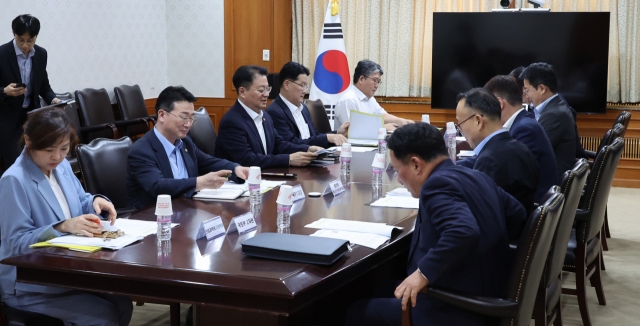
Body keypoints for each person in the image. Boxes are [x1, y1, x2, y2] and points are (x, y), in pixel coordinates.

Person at [345, 123, 526, 326]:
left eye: (397, 170)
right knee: (382, 288)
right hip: (491, 290)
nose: (399, 179)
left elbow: (463, 230)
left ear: (415, 164)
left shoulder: (436, 185)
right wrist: (485, 250)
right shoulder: (475, 175)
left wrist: (423, 274)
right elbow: (517, 212)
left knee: (356, 312)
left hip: (459, 306)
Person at [0, 108, 132, 325]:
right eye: (49, 149)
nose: (58, 157)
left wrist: (93, 202)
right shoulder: (14, 180)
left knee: (123, 303)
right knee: (105, 315)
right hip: (28, 286)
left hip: (64, 272)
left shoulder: (60, 167)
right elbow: (16, 243)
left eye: (63, 148)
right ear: (29, 141)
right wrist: (61, 226)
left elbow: (79, 202)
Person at [127, 86, 249, 209]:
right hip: (154, 217)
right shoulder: (141, 150)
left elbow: (207, 162)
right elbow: (159, 186)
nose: (188, 124)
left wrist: (235, 169)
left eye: (191, 118)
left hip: (187, 211)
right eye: (183, 117)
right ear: (162, 115)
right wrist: (199, 182)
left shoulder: (185, 142)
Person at [215, 65, 321, 168]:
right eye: (261, 90)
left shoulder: (265, 116)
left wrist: (307, 149)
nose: (266, 94)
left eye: (267, 89)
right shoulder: (232, 122)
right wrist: (288, 159)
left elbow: (278, 144)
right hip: (240, 181)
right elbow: (247, 159)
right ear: (242, 92)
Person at [455, 88, 539, 214]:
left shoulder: (490, 160)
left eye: (460, 124)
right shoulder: (520, 148)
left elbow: (481, 214)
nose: (460, 130)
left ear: (478, 121)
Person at [1, 15, 62, 174]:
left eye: (31, 40)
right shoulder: (2, 54)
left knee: (37, 165)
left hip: (32, 119)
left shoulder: (41, 54)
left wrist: (53, 99)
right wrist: (4, 91)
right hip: (7, 122)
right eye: (21, 40)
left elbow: (43, 86)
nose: (26, 45)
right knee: (16, 169)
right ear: (13, 33)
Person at [484, 75, 558, 203]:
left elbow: (510, 177)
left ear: (499, 104)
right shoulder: (522, 123)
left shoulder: (524, 130)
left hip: (535, 208)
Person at [266, 61, 349, 147]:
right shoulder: (274, 112)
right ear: (287, 84)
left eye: (306, 86)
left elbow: (314, 136)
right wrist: (326, 138)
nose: (305, 91)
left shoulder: (304, 108)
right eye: (302, 85)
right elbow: (291, 144)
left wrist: (337, 133)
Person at [520, 62, 578, 179]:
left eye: (527, 90)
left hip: (550, 183)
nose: (526, 96)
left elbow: (530, 152)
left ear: (542, 89)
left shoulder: (553, 115)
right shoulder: (556, 105)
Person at [334, 60, 413, 131]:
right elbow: (352, 130)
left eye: (378, 82)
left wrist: (403, 121)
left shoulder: (370, 98)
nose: (376, 85)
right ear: (361, 79)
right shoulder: (348, 100)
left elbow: (382, 116)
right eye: (375, 80)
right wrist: (382, 127)